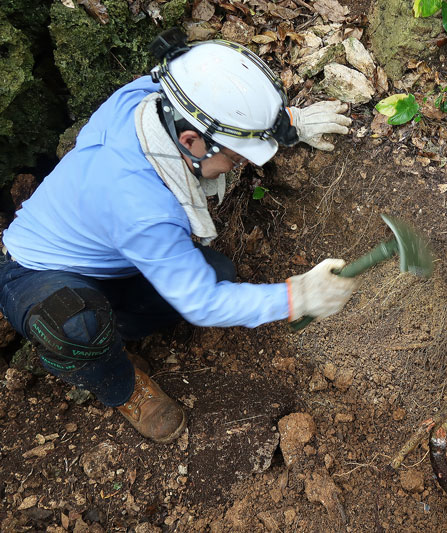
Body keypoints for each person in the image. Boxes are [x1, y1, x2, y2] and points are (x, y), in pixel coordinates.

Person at [0, 29, 357, 443]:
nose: (235, 165)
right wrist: (297, 298)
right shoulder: (141, 207)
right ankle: (119, 382)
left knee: (219, 272)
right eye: (235, 157)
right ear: (191, 143)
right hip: (35, 273)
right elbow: (203, 305)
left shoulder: (158, 96)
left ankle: (105, 329)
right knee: (74, 322)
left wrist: (286, 125)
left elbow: (216, 106)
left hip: (114, 258)